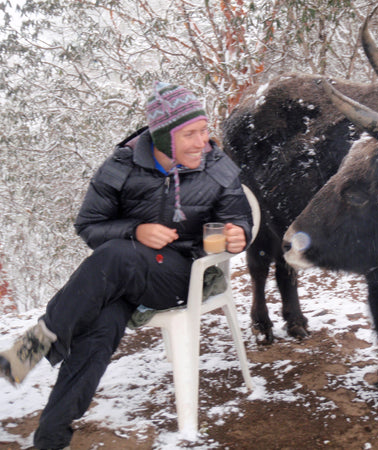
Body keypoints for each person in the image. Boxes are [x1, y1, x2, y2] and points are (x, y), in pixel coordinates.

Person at [0, 82, 253, 449]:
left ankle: (36, 344)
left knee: (116, 255)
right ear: (164, 137)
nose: (203, 142)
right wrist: (137, 229)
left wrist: (238, 234)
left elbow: (237, 218)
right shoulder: (122, 165)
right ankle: (51, 436)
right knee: (99, 327)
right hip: (123, 277)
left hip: (183, 274)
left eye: (204, 130)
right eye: (192, 134)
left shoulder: (218, 167)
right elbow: (89, 226)